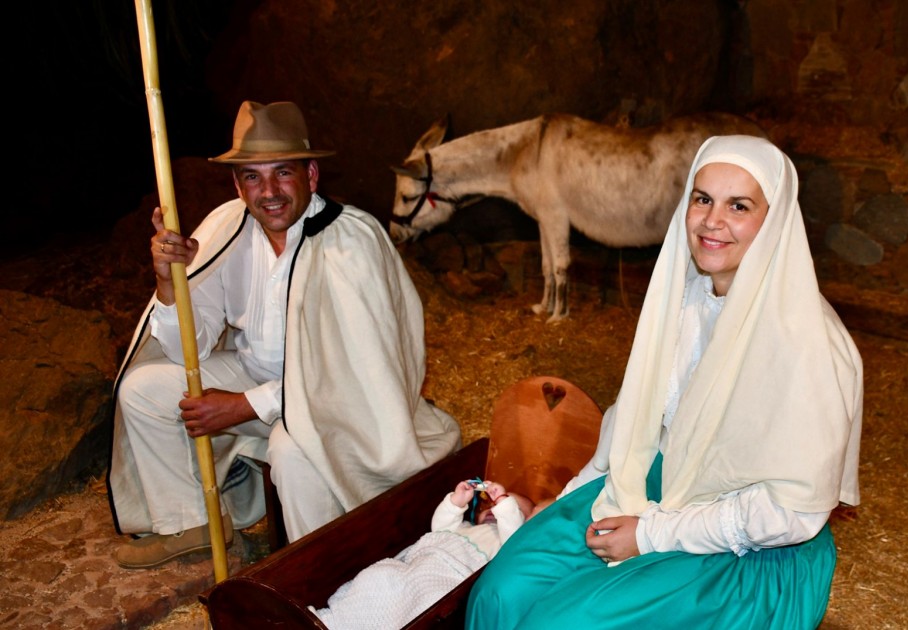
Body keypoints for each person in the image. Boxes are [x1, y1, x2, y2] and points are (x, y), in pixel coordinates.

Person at [466, 135, 863, 629]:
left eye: (738, 205)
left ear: (775, 219)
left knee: (560, 623)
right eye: (702, 199)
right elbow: (633, 422)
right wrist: (571, 498)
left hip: (749, 549)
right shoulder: (684, 299)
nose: (712, 221)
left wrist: (651, 535)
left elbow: (792, 515)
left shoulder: (809, 344)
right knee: (500, 595)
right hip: (649, 487)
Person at [107, 100, 461, 569]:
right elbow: (184, 347)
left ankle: (320, 574)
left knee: (293, 452)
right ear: (237, 184)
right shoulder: (227, 227)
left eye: (283, 173)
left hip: (343, 404)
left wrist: (241, 406)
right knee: (142, 391)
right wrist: (169, 282)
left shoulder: (350, 240)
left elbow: (352, 373)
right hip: (255, 379)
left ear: (311, 175)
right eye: (252, 176)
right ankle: (189, 523)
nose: (268, 191)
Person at [313, 479, 534, 629]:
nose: (496, 508)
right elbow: (440, 527)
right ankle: (334, 621)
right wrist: (456, 502)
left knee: (414, 602)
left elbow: (515, 538)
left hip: (445, 579)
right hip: (418, 564)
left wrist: (505, 505)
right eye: (493, 504)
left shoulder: (504, 545)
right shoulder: (465, 526)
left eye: (511, 507)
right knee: (378, 578)